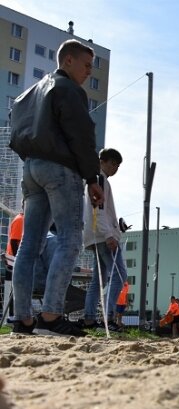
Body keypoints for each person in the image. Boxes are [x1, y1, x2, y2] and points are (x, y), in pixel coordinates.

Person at [9, 39, 105, 336]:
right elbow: (81, 135)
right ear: (68, 61)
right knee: (69, 240)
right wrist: (92, 178)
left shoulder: (27, 94)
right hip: (61, 169)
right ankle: (51, 316)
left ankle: (22, 320)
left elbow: (16, 131)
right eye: (87, 65)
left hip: (32, 168)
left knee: (30, 244)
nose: (89, 71)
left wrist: (32, 161)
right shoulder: (67, 89)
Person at [81, 148, 126, 331]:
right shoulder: (99, 179)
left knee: (98, 280)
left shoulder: (97, 180)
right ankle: (109, 318)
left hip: (95, 235)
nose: (115, 168)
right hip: (102, 235)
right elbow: (98, 210)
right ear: (104, 161)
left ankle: (90, 318)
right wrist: (109, 234)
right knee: (120, 275)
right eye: (114, 164)